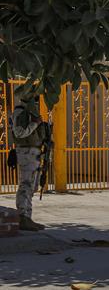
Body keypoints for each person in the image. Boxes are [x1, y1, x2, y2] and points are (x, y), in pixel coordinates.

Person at [10, 95, 49, 231]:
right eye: (35, 100)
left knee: (32, 186)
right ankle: (23, 217)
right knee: (26, 185)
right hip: (26, 152)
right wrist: (35, 123)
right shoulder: (20, 112)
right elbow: (19, 132)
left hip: (34, 152)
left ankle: (28, 217)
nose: (37, 103)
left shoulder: (31, 113)